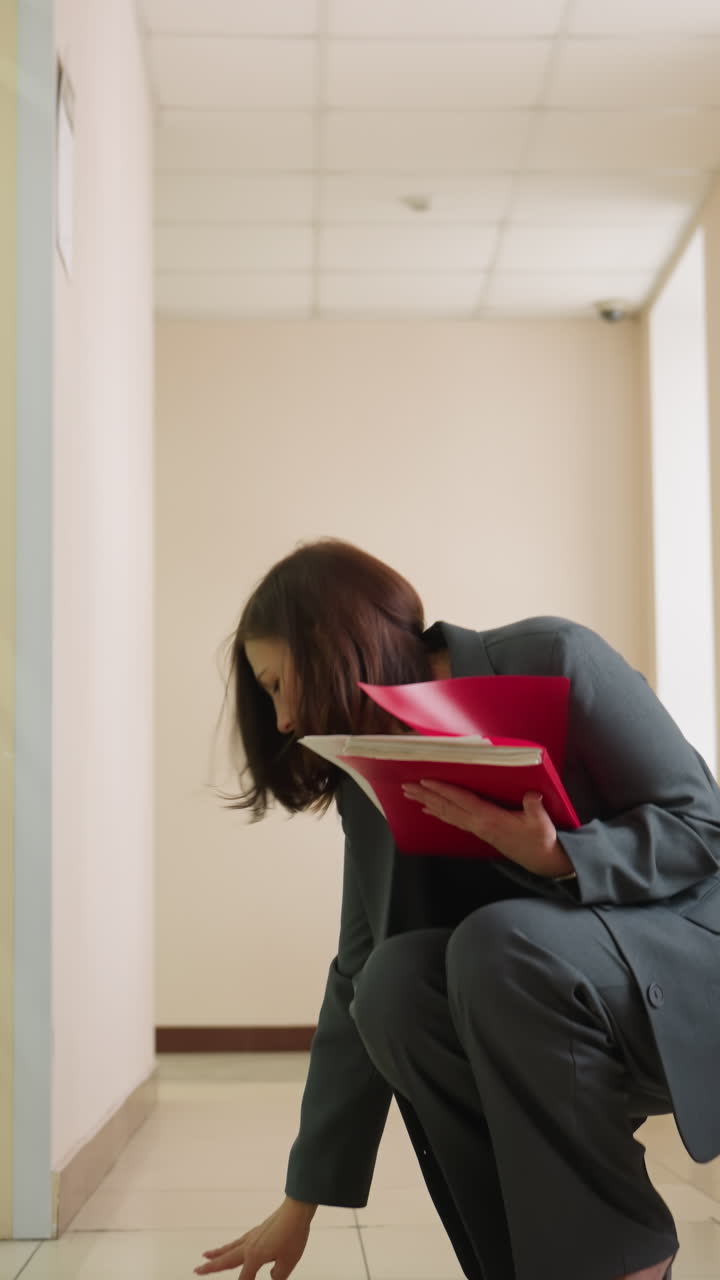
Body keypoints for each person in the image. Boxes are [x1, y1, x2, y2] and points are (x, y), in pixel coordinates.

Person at [194, 539, 720, 1280]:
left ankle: (627, 1253)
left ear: (337, 647)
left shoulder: (555, 655)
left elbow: (707, 829)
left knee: (496, 942)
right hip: (536, 1006)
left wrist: (561, 855)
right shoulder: (368, 774)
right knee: (393, 985)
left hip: (684, 972)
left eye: (281, 684)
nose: (281, 719)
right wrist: (299, 1204)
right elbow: (353, 978)